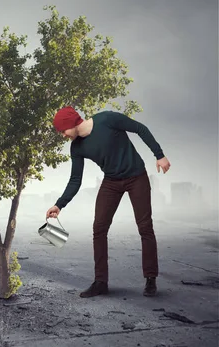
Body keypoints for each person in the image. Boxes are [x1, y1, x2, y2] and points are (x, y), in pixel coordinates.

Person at [46, 106, 170, 298]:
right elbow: (75, 180)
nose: (62, 135)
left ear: (70, 124)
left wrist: (159, 155)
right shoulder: (77, 148)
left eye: (62, 131)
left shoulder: (107, 119)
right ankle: (100, 282)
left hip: (136, 177)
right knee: (99, 228)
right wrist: (59, 204)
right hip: (111, 182)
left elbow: (140, 128)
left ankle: (150, 278)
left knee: (145, 227)